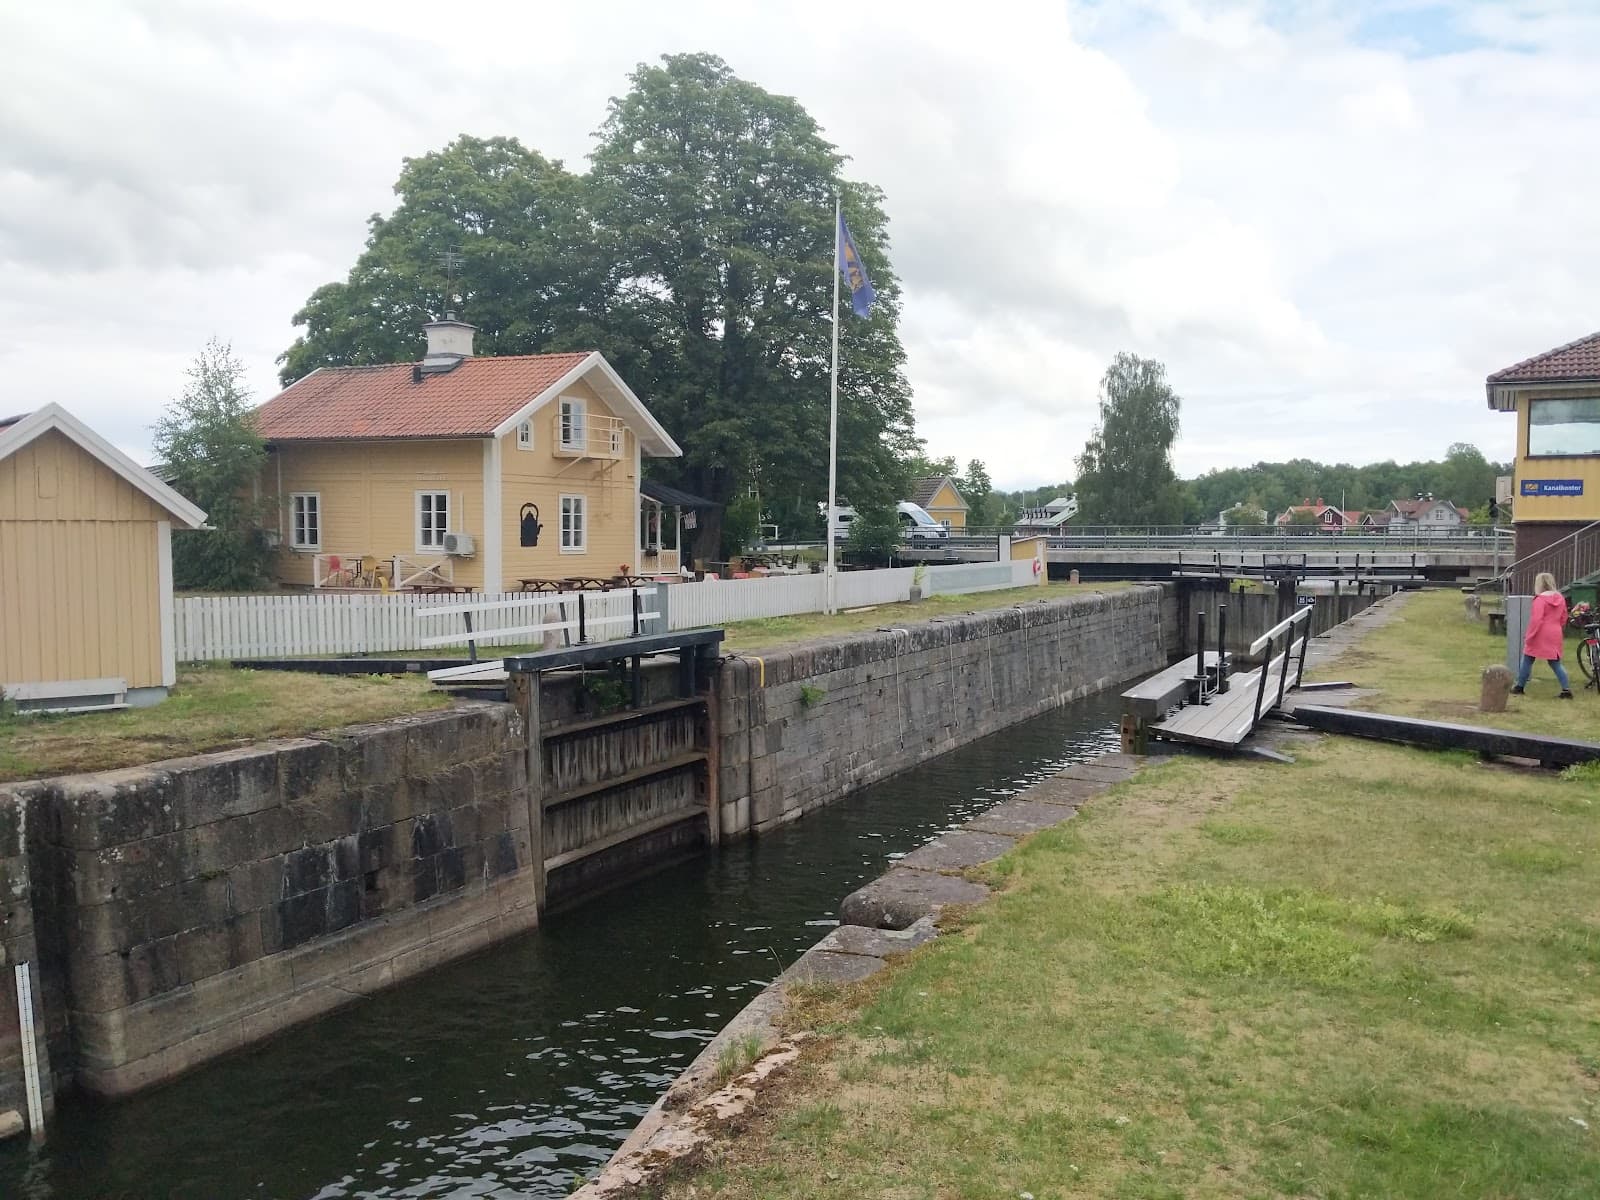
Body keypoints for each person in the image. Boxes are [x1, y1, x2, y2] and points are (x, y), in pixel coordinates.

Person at [1513, 572, 1572, 698]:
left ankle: (1520, 686)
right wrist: (1557, 626)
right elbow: (1564, 617)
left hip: (1540, 632)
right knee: (1555, 662)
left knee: (1528, 658)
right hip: (1555, 631)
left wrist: (1529, 635)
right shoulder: (1560, 598)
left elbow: (1536, 620)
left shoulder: (1540, 599)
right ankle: (1566, 689)